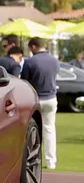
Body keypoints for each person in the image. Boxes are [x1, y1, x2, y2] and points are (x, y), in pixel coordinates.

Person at [20, 37, 60, 170]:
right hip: (51, 98)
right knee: (49, 129)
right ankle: (51, 161)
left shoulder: (30, 62)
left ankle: (32, 159)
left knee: (32, 131)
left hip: (36, 98)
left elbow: (25, 82)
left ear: (34, 47)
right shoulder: (55, 61)